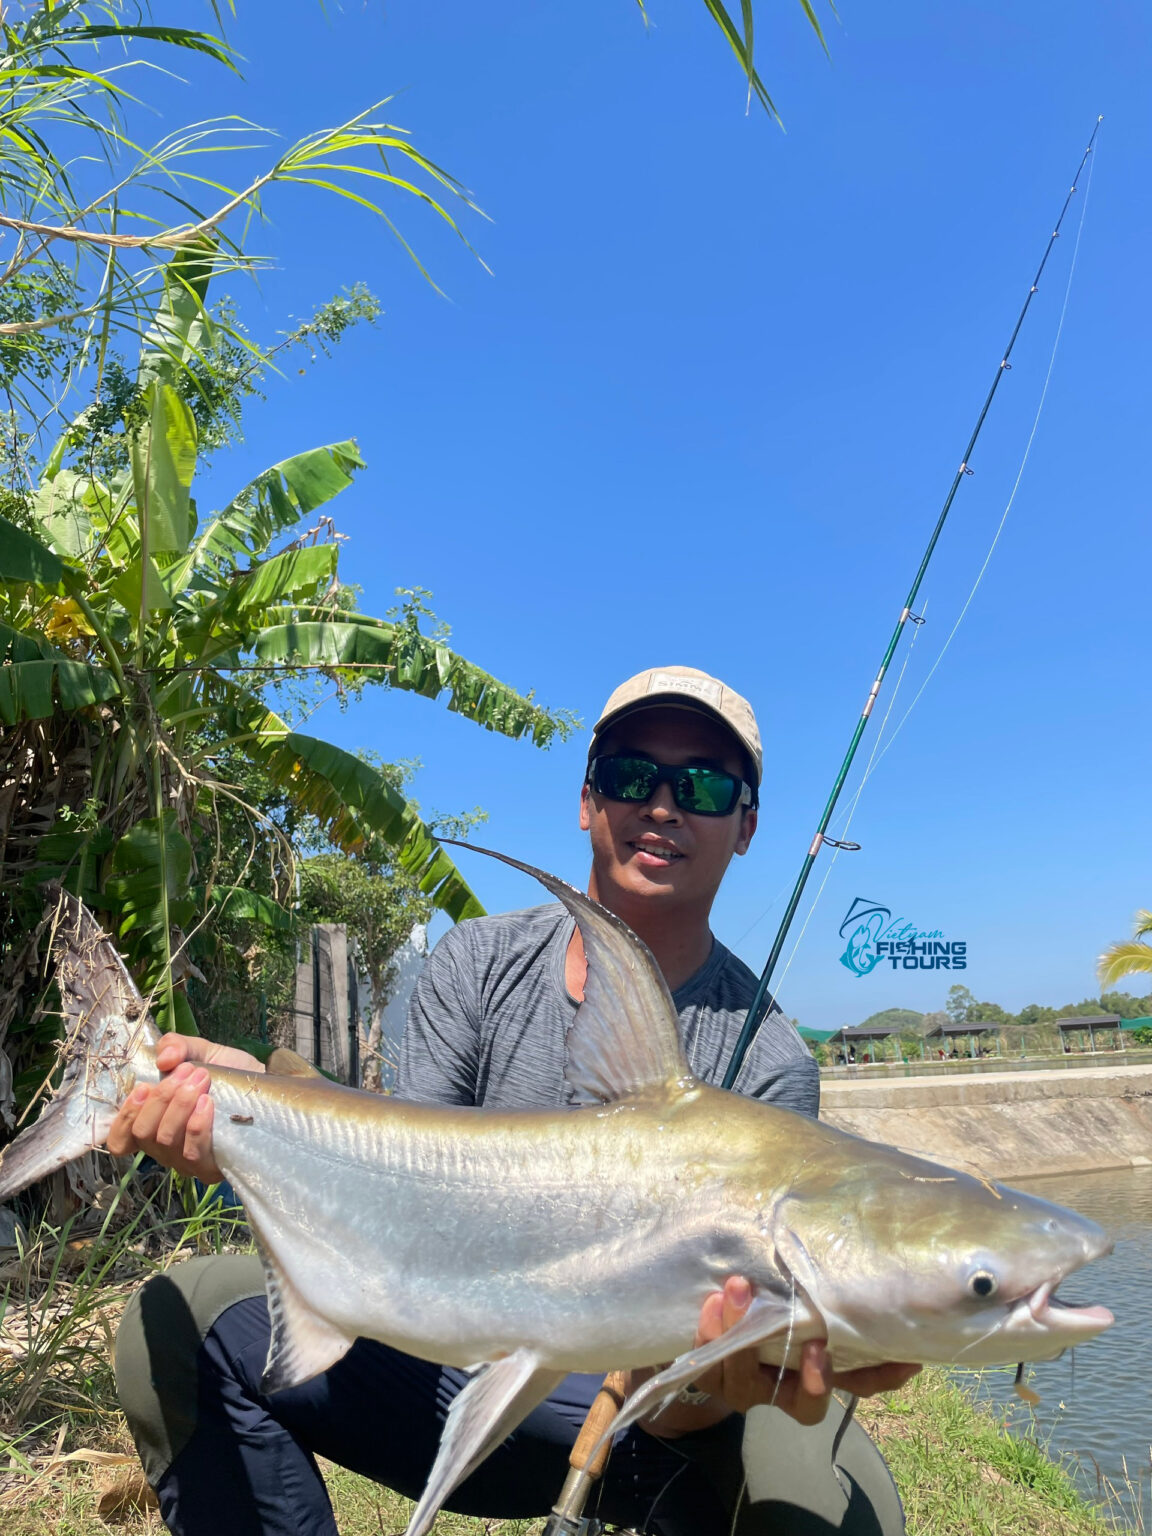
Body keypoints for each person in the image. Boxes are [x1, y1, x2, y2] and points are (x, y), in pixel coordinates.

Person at [110, 665, 917, 1535]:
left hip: (655, 1417)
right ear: (586, 801)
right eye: (630, 776)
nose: (662, 806)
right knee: (183, 1319)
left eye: (705, 785)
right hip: (450, 1362)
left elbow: (724, 1364)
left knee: (834, 1510)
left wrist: (707, 1389)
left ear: (746, 826)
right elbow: (399, 1182)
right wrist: (254, 1122)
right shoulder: (478, 963)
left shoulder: (770, 1058)